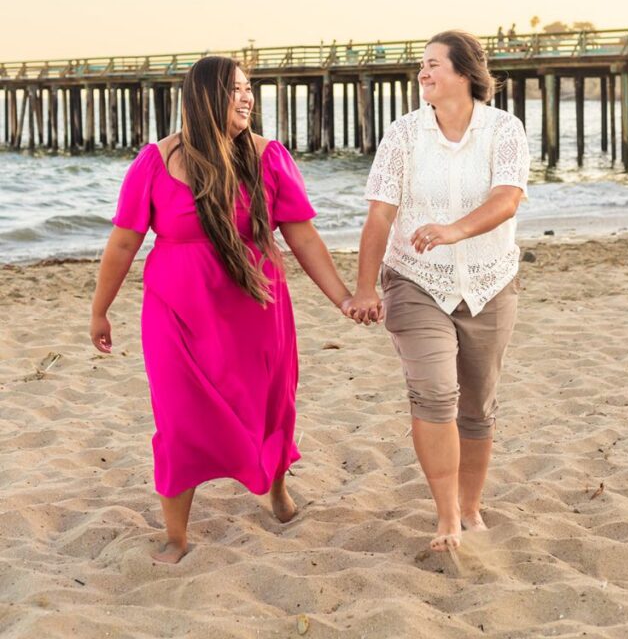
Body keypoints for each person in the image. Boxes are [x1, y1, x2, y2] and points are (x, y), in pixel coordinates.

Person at [90, 56, 352, 563]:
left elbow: (301, 235)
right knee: (179, 418)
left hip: (256, 310)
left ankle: (274, 488)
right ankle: (176, 536)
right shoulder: (155, 162)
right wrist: (100, 310)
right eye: (236, 89)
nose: (247, 97)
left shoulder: (267, 157)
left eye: (249, 87)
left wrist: (341, 296)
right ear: (206, 96)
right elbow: (123, 244)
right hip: (177, 314)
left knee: (271, 404)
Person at [346, 30, 530, 553]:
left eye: (433, 64)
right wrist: (365, 287)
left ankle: (471, 508)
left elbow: (507, 199)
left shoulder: (504, 130)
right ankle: (447, 516)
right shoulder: (403, 134)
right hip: (416, 279)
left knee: (477, 405)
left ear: (465, 73)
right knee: (433, 392)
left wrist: (453, 230)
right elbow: (380, 213)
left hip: (491, 280)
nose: (423, 73)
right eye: (421, 66)